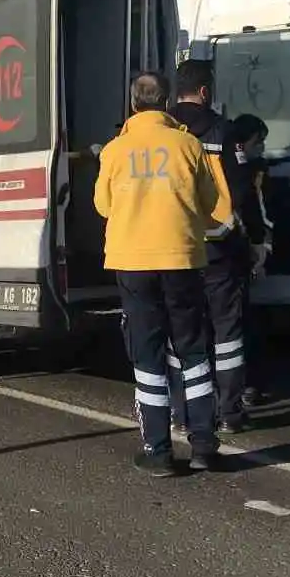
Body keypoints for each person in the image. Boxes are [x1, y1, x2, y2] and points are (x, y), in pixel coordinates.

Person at [95, 72, 231, 476]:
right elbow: (210, 203)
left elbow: (103, 205)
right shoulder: (188, 145)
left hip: (133, 263)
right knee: (192, 350)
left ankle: (158, 450)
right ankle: (204, 444)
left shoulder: (115, 152)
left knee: (148, 355)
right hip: (182, 260)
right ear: (166, 101)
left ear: (133, 103)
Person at [168, 60, 260, 433]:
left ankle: (182, 413)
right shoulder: (224, 132)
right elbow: (241, 192)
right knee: (227, 335)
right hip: (220, 249)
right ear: (205, 92)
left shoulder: (166, 130)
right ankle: (230, 413)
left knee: (183, 335)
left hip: (176, 247)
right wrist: (257, 238)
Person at [227, 113, 275, 406]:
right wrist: (262, 249)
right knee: (242, 324)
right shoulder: (247, 173)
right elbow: (258, 215)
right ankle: (246, 386)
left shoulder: (236, 167)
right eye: (259, 142)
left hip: (221, 253)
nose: (262, 148)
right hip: (239, 251)